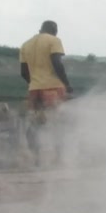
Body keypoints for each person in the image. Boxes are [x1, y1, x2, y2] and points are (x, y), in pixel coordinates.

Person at [18, 20, 73, 161]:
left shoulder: (26, 44)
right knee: (57, 122)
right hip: (53, 88)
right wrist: (66, 84)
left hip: (34, 90)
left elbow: (24, 72)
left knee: (35, 122)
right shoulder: (54, 40)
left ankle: (36, 157)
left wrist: (35, 83)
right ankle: (58, 157)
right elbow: (57, 62)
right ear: (54, 30)